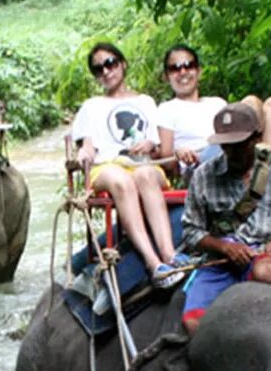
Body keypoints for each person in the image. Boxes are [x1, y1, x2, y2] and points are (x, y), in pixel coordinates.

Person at [179, 102, 271, 331]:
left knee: (266, 273)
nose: (232, 152)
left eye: (239, 145)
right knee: (194, 323)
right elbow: (191, 231)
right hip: (219, 262)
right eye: (226, 146)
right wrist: (223, 247)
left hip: (264, 256)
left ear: (256, 139)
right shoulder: (204, 175)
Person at [71, 42, 188, 287]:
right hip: (108, 167)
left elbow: (159, 148)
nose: (106, 71)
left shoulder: (146, 102)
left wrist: (149, 146)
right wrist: (84, 152)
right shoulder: (90, 107)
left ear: (122, 64)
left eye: (110, 64)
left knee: (144, 174)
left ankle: (170, 254)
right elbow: (88, 145)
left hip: (145, 163)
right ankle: (153, 263)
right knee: (121, 180)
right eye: (98, 69)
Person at [155, 45, 271, 181]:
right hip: (202, 161)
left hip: (233, 150)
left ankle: (262, 178)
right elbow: (167, 160)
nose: (183, 72)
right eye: (175, 68)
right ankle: (261, 179)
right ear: (167, 76)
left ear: (199, 71)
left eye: (189, 65)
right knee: (251, 102)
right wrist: (179, 152)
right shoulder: (167, 109)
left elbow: (240, 129)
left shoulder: (217, 103)